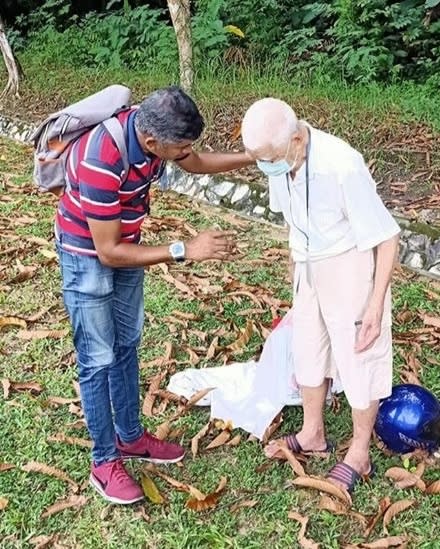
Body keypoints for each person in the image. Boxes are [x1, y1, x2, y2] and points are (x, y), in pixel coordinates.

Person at [56, 85, 253, 505]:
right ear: (151, 143)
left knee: (127, 344)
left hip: (128, 245)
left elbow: (197, 162)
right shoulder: (100, 159)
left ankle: (130, 437)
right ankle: (104, 460)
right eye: (179, 148)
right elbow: (107, 253)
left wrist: (255, 157)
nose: (186, 154)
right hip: (88, 254)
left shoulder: (155, 139)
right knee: (98, 359)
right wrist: (185, 250)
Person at [241, 98, 400, 494]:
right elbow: (295, 225)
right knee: (308, 350)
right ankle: (313, 433)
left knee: (358, 357)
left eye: (270, 158)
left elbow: (388, 238)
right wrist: (298, 281)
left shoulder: (342, 164)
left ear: (297, 139)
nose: (266, 167)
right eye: (260, 160)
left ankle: (359, 452)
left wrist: (376, 306)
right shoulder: (280, 159)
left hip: (349, 265)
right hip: (309, 267)